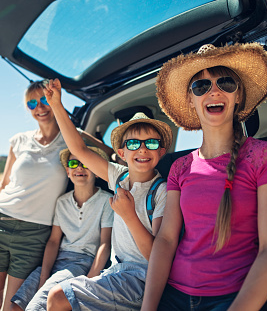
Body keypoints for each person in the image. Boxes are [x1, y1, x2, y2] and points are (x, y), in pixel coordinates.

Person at [141, 43, 267, 311]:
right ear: (191, 100)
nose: (214, 91)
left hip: (235, 297)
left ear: (238, 95)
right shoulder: (180, 167)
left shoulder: (265, 155)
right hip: (174, 295)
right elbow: (166, 239)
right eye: (201, 87)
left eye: (225, 82)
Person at [0, 80, 112, 311]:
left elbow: (111, 155)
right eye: (32, 103)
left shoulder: (74, 137)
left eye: (44, 99)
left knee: (13, 306)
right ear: (27, 108)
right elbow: (5, 183)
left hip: (35, 233)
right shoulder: (18, 140)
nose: (40, 107)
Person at [43, 78, 173, 311]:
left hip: (142, 278)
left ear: (161, 152)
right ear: (121, 152)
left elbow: (157, 256)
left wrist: (129, 215)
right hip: (116, 270)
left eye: (151, 143)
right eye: (133, 144)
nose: (142, 149)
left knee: (57, 297)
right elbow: (79, 150)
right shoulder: (119, 177)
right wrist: (56, 106)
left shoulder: (161, 191)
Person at [10, 147, 114, 311]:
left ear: (97, 171)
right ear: (67, 171)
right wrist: (44, 275)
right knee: (16, 305)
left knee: (37, 305)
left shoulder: (107, 201)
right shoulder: (62, 202)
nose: (79, 168)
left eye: (86, 163)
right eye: (73, 163)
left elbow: (104, 244)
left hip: (82, 262)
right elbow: (53, 241)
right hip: (58, 260)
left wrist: (90, 280)